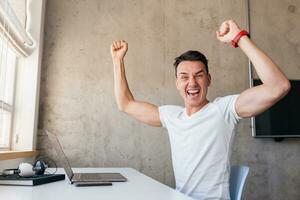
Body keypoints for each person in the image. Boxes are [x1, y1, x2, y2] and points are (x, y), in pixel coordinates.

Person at [110, 20, 290, 200]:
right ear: (177, 83)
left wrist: (239, 38)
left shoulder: (223, 110)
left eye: (199, 75)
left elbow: (279, 86)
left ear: (209, 80)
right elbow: (125, 104)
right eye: (184, 77)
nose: (192, 83)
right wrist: (118, 61)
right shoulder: (172, 116)